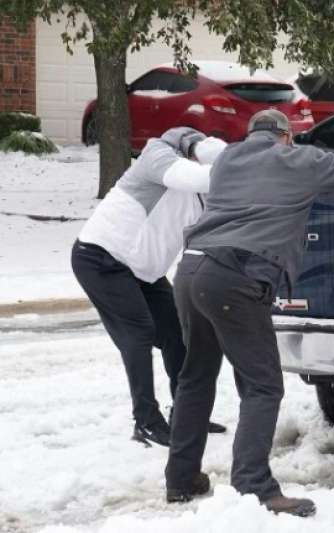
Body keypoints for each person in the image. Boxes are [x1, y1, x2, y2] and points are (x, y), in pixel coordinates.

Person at [164, 110, 334, 516]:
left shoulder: (228, 159)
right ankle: (254, 487)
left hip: (191, 269)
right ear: (286, 137)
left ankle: (180, 479)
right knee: (262, 386)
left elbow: (200, 151)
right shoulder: (296, 159)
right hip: (237, 275)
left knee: (195, 378)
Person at [72, 127, 229, 447]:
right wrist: (240, 166)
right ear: (188, 147)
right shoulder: (157, 155)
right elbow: (198, 177)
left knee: (177, 336)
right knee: (138, 333)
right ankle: (145, 420)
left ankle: (186, 412)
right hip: (101, 258)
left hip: (142, 271)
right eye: (196, 149)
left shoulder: (203, 191)